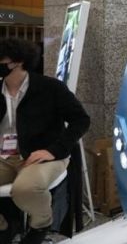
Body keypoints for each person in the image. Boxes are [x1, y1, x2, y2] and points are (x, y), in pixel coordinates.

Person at [0, 38, 90, 244]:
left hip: (44, 154)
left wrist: (54, 150)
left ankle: (41, 224)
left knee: (25, 189)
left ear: (18, 61)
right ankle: (5, 224)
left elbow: (81, 120)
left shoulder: (50, 88)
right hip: (5, 156)